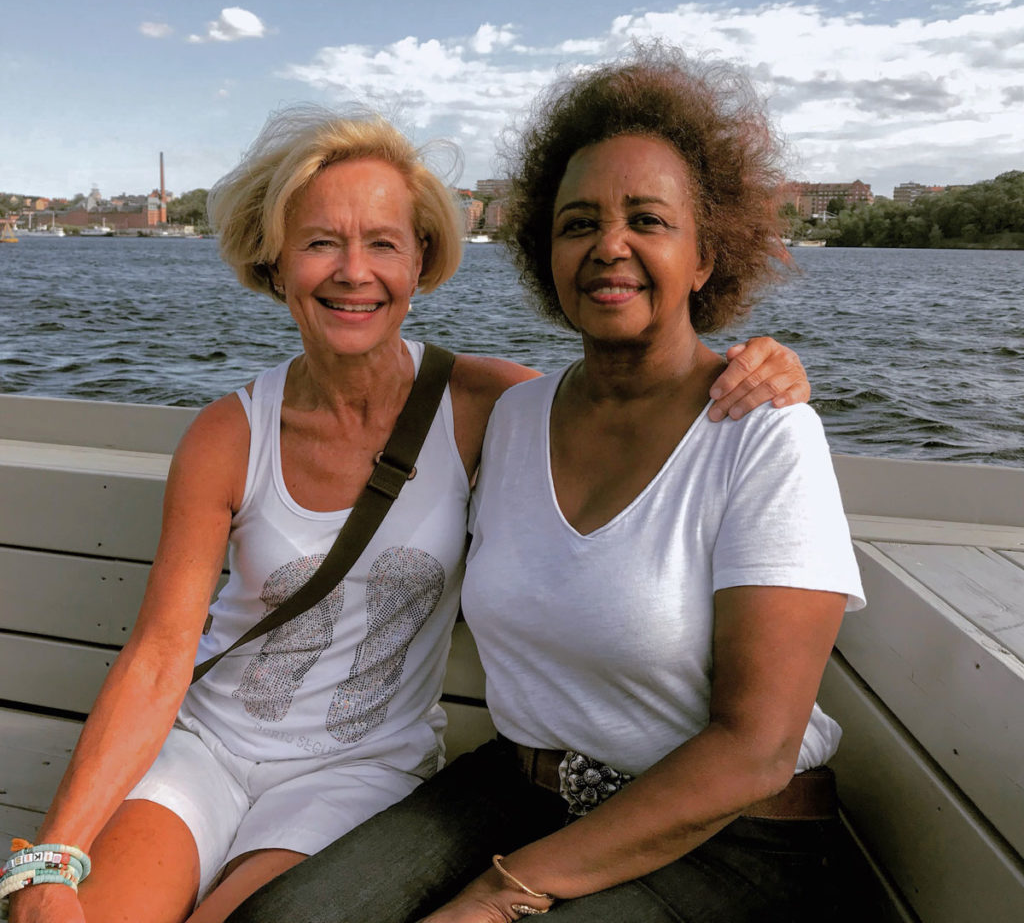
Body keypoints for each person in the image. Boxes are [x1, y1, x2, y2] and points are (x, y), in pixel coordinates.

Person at [4, 106, 809, 923]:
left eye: (383, 242)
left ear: (422, 260)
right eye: (320, 242)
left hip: (361, 769)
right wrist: (52, 859)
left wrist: (760, 366)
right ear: (275, 262)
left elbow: (630, 406)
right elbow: (161, 654)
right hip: (208, 747)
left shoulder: (491, 405)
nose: (355, 272)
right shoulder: (229, 434)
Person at [226, 46, 864, 923]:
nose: (611, 246)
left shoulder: (762, 434)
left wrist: (502, 889)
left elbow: (756, 750)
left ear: (707, 255)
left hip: (732, 834)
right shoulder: (516, 418)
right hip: (523, 789)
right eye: (577, 223)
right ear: (545, 254)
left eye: (648, 219)